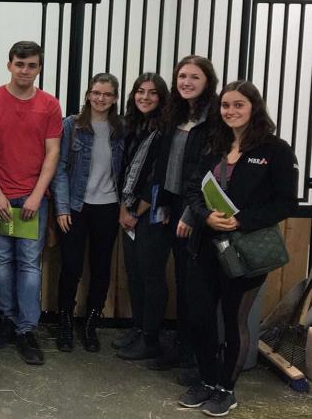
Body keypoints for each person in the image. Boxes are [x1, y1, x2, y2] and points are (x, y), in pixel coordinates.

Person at [178, 81, 297, 416]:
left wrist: (242, 220)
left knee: (233, 321)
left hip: (245, 251)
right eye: (225, 105)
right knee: (200, 317)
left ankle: (226, 389)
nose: (230, 111)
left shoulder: (276, 150)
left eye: (238, 105)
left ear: (254, 107)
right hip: (205, 245)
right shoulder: (213, 145)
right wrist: (205, 217)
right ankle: (206, 380)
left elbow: (285, 203)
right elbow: (193, 191)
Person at [0, 41, 62, 365]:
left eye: (32, 66)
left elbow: (52, 153)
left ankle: (27, 330)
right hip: (0, 196)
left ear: (39, 68)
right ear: (9, 64)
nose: (25, 71)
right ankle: (7, 321)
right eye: (20, 64)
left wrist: (38, 195)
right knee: (1, 261)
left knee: (28, 264)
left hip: (32, 198)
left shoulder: (50, 105)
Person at [146, 55, 218, 380]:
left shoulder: (214, 119)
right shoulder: (175, 115)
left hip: (196, 211)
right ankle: (182, 347)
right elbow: (164, 165)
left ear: (207, 82)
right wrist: (162, 205)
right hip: (172, 206)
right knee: (180, 281)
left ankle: (194, 358)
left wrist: (191, 213)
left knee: (194, 285)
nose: (186, 82)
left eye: (194, 77)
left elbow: (208, 172)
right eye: (181, 76)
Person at [51, 73, 124, 353]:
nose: (101, 98)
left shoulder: (122, 129)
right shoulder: (72, 125)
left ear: (115, 98)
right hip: (75, 208)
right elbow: (60, 168)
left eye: (107, 94)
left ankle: (92, 322)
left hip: (108, 207)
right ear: (88, 95)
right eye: (96, 93)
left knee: (101, 268)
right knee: (70, 267)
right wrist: (61, 207)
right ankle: (65, 320)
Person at [114, 73, 170, 361]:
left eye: (152, 93)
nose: (145, 97)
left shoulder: (165, 131)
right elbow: (126, 171)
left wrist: (136, 211)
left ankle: (151, 337)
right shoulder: (133, 126)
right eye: (140, 92)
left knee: (151, 275)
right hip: (130, 209)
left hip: (154, 214)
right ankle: (138, 328)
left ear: (162, 98)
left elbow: (158, 177)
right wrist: (125, 209)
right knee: (134, 273)